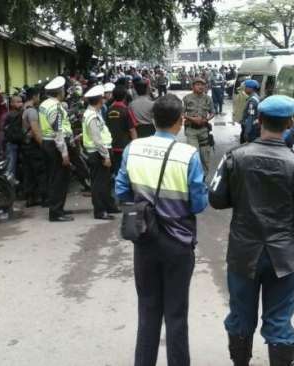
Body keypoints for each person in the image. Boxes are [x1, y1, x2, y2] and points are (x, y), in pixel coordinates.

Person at [210, 95, 294, 366]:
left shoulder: (235, 157)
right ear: (289, 123)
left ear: (259, 120)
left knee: (240, 317)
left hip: (242, 253)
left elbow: (216, 199)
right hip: (284, 256)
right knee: (280, 321)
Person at [115, 94, 208, 366]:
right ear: (180, 122)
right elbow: (199, 204)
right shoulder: (188, 155)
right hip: (178, 244)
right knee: (176, 315)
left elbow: (121, 192)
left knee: (148, 311)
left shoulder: (134, 149)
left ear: (153, 119)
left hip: (144, 240)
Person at [39, 76, 74, 222]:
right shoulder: (56, 107)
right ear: (60, 91)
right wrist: (64, 153)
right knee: (59, 179)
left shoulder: (44, 104)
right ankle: (56, 212)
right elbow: (58, 132)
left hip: (48, 143)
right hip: (56, 144)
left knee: (54, 177)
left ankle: (58, 208)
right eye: (63, 89)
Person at [83, 85, 120, 220]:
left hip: (100, 151)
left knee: (105, 182)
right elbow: (97, 139)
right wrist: (105, 156)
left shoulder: (94, 113)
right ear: (99, 100)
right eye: (103, 98)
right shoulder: (92, 116)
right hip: (98, 153)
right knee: (99, 183)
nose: (104, 100)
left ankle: (108, 206)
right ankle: (100, 211)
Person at [20, 87, 48, 207]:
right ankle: (45, 198)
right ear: (35, 96)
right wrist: (43, 145)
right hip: (33, 146)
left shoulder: (23, 109)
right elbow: (36, 132)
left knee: (29, 172)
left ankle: (30, 198)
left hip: (25, 145)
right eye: (38, 96)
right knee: (41, 172)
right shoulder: (32, 111)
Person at [183, 78, 215, 177]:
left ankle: (203, 179)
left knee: (205, 157)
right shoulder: (186, 98)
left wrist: (207, 119)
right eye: (198, 84)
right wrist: (192, 119)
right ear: (192, 86)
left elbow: (213, 112)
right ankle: (194, 179)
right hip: (191, 131)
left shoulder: (208, 98)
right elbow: (182, 113)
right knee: (193, 156)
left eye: (203, 85)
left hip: (204, 131)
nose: (201, 86)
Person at [106, 85, 138, 177]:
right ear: (125, 97)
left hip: (112, 144)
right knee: (126, 168)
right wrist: (135, 145)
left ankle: (117, 184)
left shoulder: (109, 110)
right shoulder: (126, 110)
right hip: (125, 145)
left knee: (117, 166)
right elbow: (132, 130)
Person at [3, 94, 24, 182]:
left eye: (21, 101)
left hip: (16, 143)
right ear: (11, 103)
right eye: (18, 102)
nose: (21, 104)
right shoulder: (11, 115)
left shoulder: (18, 114)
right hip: (12, 143)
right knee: (10, 168)